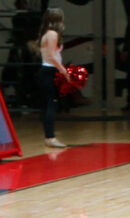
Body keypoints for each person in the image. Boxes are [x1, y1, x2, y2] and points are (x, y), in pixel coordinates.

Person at [37, 7, 69, 148]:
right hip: (50, 71)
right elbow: (50, 56)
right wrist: (63, 70)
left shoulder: (46, 33)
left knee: (48, 105)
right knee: (51, 104)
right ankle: (50, 137)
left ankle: (49, 136)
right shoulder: (52, 34)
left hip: (47, 70)